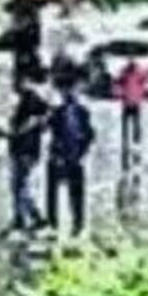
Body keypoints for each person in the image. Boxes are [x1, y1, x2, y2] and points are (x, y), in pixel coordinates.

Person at [1, 65, 52, 236]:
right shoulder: (25, 99)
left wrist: (12, 133)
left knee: (21, 186)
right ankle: (19, 218)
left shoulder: (31, 99)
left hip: (26, 150)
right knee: (16, 186)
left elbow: (34, 121)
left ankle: (36, 217)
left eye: (17, 81)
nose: (14, 85)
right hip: (20, 149)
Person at [47, 63, 96, 237]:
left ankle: (74, 223)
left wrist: (82, 152)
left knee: (71, 192)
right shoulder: (60, 112)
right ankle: (60, 223)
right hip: (66, 155)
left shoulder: (78, 112)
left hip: (71, 156)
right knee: (60, 192)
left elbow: (90, 134)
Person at [0, 0, 45, 90]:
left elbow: (8, 39)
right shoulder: (31, 38)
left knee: (20, 41)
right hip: (28, 40)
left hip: (25, 40)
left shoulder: (19, 37)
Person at [116, 54, 148, 173]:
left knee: (131, 125)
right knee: (132, 125)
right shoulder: (132, 72)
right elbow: (119, 82)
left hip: (130, 101)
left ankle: (131, 143)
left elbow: (145, 79)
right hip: (132, 101)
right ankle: (132, 143)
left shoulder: (131, 72)